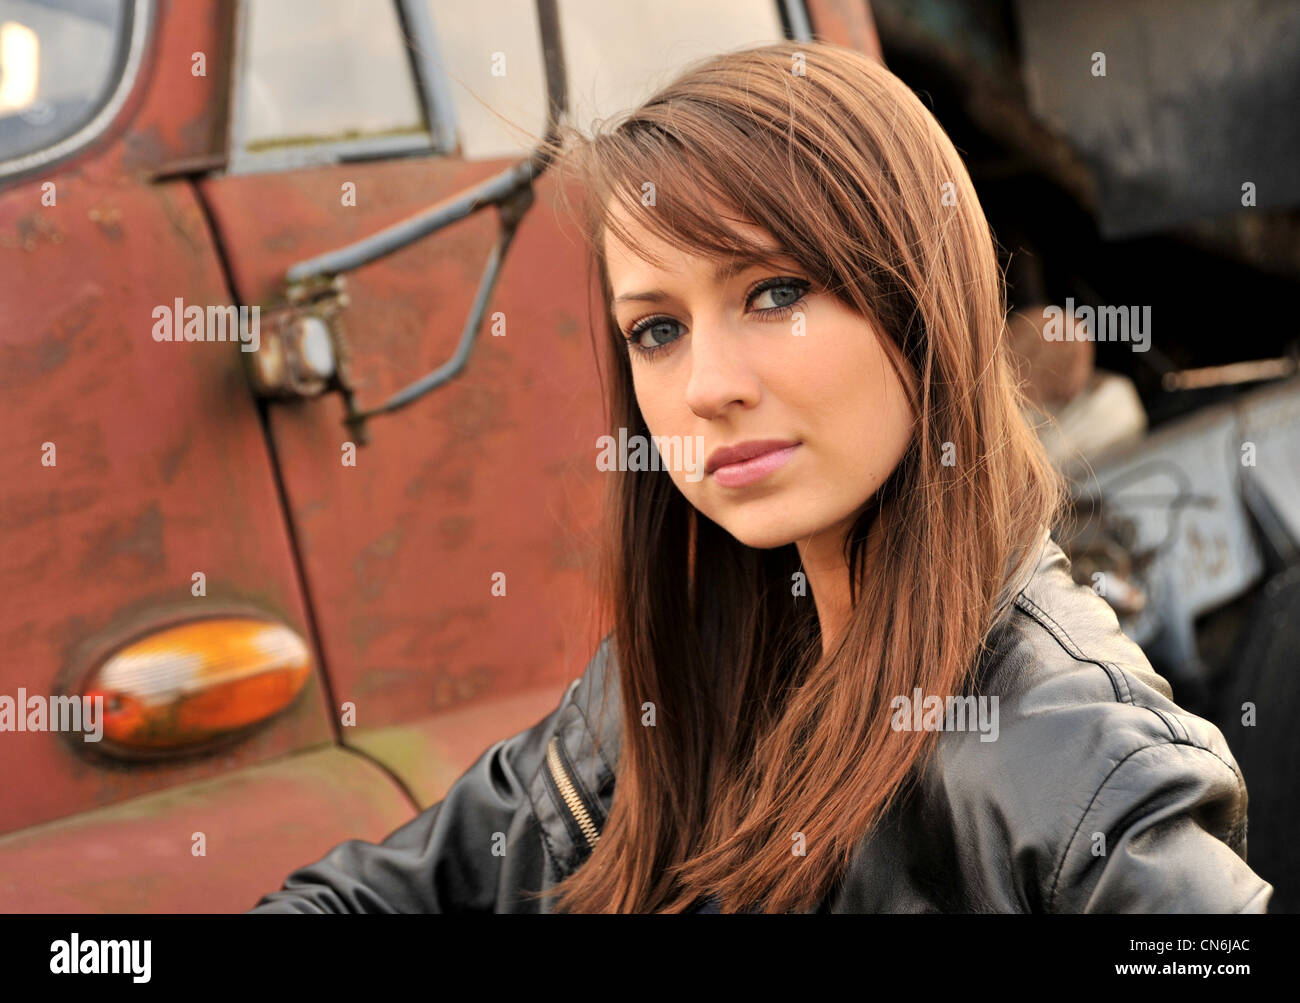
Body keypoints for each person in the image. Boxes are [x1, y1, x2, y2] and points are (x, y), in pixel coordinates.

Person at [248, 40, 1272, 914]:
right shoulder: (677, 686)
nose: (704, 386)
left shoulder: (1072, 757)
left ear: (922, 303)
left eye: (774, 292)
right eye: (656, 328)